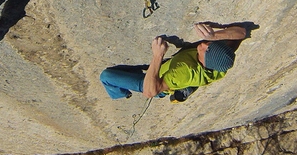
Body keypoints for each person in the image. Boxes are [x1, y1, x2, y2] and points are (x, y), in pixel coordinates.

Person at [100, 22, 246, 101]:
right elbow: (241, 33)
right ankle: (188, 88)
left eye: (206, 48)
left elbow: (149, 92)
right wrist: (215, 35)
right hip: (186, 78)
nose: (204, 44)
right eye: (211, 44)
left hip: (157, 82)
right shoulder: (222, 62)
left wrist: (158, 55)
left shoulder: (181, 73)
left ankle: (121, 94)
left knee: (106, 77)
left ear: (204, 61)